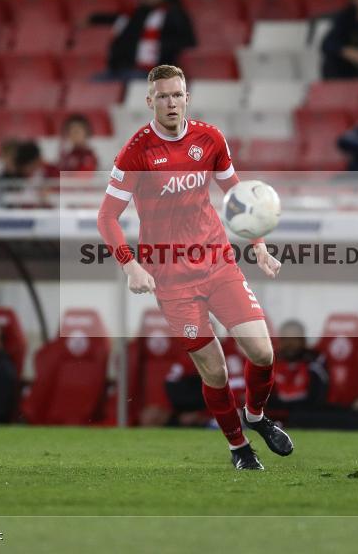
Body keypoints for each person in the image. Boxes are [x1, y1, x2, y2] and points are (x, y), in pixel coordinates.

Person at [96, 64, 291, 470]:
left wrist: (258, 245)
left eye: (178, 94)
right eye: (163, 96)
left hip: (217, 263)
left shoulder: (210, 138)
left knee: (261, 350)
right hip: (171, 279)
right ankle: (239, 447)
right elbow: (107, 217)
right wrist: (130, 266)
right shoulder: (135, 152)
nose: (171, 102)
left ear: (188, 97)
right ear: (150, 101)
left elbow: (237, 196)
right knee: (215, 371)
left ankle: (256, 417)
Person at [97, 0, 196, 82]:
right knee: (94, 84)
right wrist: (94, 19)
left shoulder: (173, 14)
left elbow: (186, 42)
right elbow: (112, 19)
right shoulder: (131, 13)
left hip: (152, 74)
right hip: (118, 71)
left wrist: (160, 47)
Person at [269, 320, 329, 412]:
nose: (290, 343)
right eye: (285, 339)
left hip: (308, 413)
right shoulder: (271, 361)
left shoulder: (314, 361)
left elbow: (320, 395)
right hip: (275, 413)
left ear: (303, 340)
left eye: (294, 339)